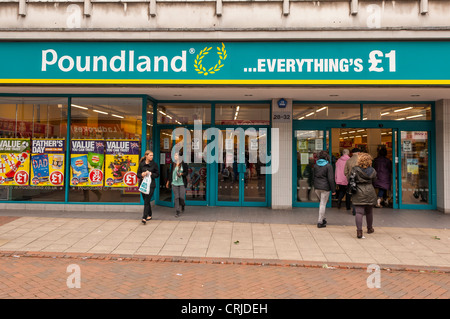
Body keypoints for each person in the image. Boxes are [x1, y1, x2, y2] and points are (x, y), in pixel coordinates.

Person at [350, 152, 377, 239]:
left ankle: (359, 232)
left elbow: (350, 180)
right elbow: (375, 181)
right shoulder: (372, 170)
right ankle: (369, 228)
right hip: (370, 191)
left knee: (359, 212)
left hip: (358, 191)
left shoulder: (355, 169)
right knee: (369, 211)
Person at [313, 150, 336, 228]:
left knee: (322, 203)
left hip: (317, 187)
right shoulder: (328, 166)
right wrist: (333, 190)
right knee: (323, 204)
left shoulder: (315, 165)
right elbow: (330, 179)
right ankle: (320, 221)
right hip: (325, 188)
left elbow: (313, 177)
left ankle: (323, 218)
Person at [137, 150, 159, 224]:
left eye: (152, 155)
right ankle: (150, 214)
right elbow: (138, 174)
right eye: (150, 155)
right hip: (143, 185)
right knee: (146, 200)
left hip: (151, 185)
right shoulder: (141, 164)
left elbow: (157, 174)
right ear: (146, 156)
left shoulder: (154, 164)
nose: (152, 157)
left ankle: (144, 217)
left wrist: (151, 174)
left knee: (146, 201)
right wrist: (142, 174)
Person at [166, 152, 189, 217]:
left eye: (176, 155)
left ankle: (183, 205)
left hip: (182, 183)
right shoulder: (173, 164)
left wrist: (181, 174)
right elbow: (170, 173)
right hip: (174, 183)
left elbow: (186, 173)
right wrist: (168, 181)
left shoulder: (184, 164)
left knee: (181, 197)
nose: (174, 156)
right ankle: (177, 211)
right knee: (176, 197)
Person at [344, 147, 361, 216]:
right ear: (358, 153)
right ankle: (360, 210)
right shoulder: (361, 160)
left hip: (351, 179)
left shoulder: (348, 161)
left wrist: (349, 177)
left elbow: (345, 172)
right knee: (360, 194)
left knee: (353, 194)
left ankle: (354, 210)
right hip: (360, 179)